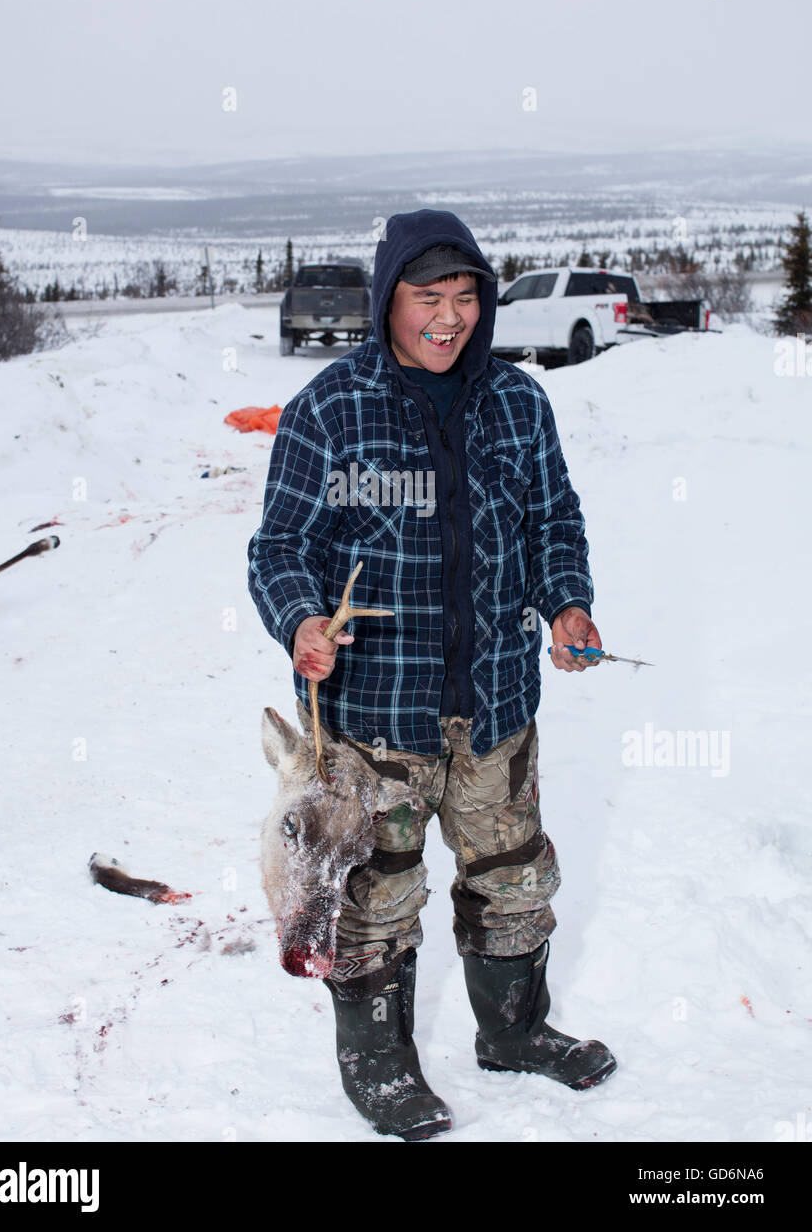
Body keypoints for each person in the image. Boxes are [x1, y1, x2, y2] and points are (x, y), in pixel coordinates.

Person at [247, 208, 616, 1141]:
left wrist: (565, 602)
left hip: (494, 703)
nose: (449, 318)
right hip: (374, 713)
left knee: (513, 876)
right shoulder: (331, 408)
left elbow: (552, 523)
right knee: (373, 893)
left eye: (465, 298)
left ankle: (515, 1032)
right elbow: (280, 546)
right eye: (428, 298)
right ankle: (382, 1067)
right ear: (388, 303)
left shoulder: (517, 402)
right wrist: (300, 622)